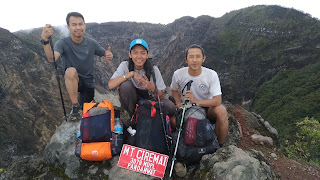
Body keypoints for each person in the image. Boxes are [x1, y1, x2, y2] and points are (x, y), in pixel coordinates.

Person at [40, 12, 113, 120]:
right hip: (73, 81)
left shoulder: (91, 43)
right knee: (70, 71)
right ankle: (74, 107)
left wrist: (108, 55)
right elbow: (52, 58)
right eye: (74, 24)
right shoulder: (62, 43)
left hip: (88, 84)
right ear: (68, 27)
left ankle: (81, 109)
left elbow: (104, 53)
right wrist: (45, 41)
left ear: (84, 25)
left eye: (81, 24)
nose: (78, 27)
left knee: (86, 112)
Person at [171, 44, 228, 145]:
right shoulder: (178, 74)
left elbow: (217, 100)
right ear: (186, 59)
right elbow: (174, 90)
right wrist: (178, 103)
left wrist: (196, 102)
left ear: (203, 58)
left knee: (221, 110)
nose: (195, 60)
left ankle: (219, 145)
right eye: (191, 57)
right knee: (173, 120)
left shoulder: (211, 75)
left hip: (207, 108)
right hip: (187, 108)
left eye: (198, 56)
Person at [108, 38, 176, 119]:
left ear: (147, 55)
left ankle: (151, 117)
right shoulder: (125, 65)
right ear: (130, 54)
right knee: (126, 86)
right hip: (132, 101)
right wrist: (131, 74)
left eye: (143, 53)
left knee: (171, 107)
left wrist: (153, 89)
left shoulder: (153, 69)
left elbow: (160, 96)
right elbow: (111, 85)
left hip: (150, 100)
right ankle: (132, 117)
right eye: (135, 53)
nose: (139, 56)